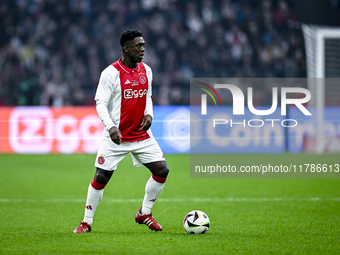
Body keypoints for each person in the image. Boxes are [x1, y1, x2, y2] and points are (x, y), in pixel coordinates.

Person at [73, 29, 169, 233]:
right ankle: (86, 222)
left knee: (162, 170)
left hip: (141, 135)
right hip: (116, 136)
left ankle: (144, 213)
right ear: (126, 48)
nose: (143, 49)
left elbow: (148, 97)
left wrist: (149, 115)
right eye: (138, 46)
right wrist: (111, 127)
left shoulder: (147, 70)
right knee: (101, 177)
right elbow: (100, 102)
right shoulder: (110, 73)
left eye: (143, 45)